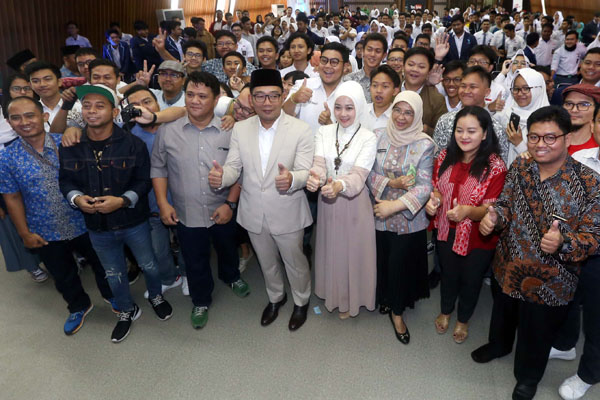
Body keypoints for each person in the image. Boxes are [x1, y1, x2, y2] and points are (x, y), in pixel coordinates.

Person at [471, 106, 600, 400]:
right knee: (502, 314)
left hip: (551, 281)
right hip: (508, 264)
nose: (540, 144)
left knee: (536, 333)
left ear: (568, 139)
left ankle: (527, 378)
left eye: (550, 137)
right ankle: (499, 345)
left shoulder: (589, 183)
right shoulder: (520, 168)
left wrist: (564, 242)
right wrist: (494, 218)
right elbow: (505, 203)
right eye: (534, 137)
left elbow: (594, 237)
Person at [59, 84, 173, 343]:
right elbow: (65, 180)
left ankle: (156, 295)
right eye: (86, 106)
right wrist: (77, 198)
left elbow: (144, 181)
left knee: (149, 265)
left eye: (100, 106)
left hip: (133, 220)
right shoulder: (71, 143)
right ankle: (125, 310)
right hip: (97, 225)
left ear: (114, 111)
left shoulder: (132, 144)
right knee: (113, 272)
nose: (92, 111)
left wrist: (121, 201)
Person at [208, 69, 314, 331]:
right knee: (266, 261)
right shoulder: (241, 129)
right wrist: (222, 177)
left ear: (282, 96)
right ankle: (276, 297)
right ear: (251, 99)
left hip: (287, 208)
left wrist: (292, 180)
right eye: (260, 97)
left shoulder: (301, 129)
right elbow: (234, 167)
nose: (267, 103)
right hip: (253, 209)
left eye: (273, 96)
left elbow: (304, 169)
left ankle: (301, 301)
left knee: (295, 261)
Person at [0, 96, 114, 335]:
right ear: (9, 123)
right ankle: (78, 306)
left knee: (103, 265)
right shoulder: (6, 158)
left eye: (30, 115)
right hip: (44, 227)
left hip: (85, 221)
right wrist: (24, 233)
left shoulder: (69, 143)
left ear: (43, 117)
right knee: (62, 274)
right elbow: (12, 198)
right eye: (16, 117)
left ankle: (113, 297)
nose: (24, 122)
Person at [151, 72, 249, 329]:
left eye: (203, 96)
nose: (195, 101)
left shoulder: (231, 131)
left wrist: (230, 204)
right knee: (194, 258)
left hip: (223, 209)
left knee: (228, 248)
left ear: (216, 99)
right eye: (190, 95)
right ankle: (201, 299)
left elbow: (240, 171)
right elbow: (159, 169)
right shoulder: (168, 132)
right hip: (187, 212)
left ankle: (231, 276)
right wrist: (163, 203)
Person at [426, 106, 507, 344]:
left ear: (484, 134)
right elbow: (437, 190)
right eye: (459, 130)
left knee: (471, 280)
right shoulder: (443, 157)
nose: (464, 136)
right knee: (449, 274)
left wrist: (468, 211)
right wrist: (434, 202)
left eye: (471, 131)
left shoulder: (496, 166)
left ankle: (463, 319)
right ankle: (446, 310)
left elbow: (491, 208)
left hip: (478, 237)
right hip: (445, 230)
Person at [367, 91, 435, 343]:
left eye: (409, 112)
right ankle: (385, 299)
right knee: (382, 260)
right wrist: (390, 182)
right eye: (398, 110)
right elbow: (366, 172)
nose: (402, 117)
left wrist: (393, 206)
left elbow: (424, 186)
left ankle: (397, 313)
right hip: (377, 214)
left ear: (417, 115)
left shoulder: (425, 144)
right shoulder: (376, 136)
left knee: (400, 265)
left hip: (408, 218)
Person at [306, 80, 376, 318]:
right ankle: (333, 294)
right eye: (338, 107)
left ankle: (350, 300)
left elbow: (358, 177)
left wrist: (339, 185)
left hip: (354, 205)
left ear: (359, 108)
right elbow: (318, 165)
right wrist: (315, 179)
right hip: (328, 202)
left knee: (352, 254)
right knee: (331, 249)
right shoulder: (324, 131)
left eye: (349, 107)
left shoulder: (368, 137)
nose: (343, 114)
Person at [555, 102, 600, 400]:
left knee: (597, 318)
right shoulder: (582, 158)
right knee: (568, 298)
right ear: (594, 126)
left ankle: (589, 374)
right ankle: (564, 345)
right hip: (574, 244)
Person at [433, 66, 509, 163]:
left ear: (487, 92)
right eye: (463, 86)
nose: (466, 91)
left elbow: (500, 164)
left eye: (473, 87)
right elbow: (436, 158)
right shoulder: (445, 121)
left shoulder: (496, 128)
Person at [494, 68, 549, 164]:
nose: (519, 94)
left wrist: (519, 144)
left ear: (538, 89)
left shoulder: (549, 121)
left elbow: (546, 162)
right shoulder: (506, 114)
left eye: (526, 88)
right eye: (516, 89)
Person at [402, 47, 448, 135]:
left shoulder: (436, 99)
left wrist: (426, 129)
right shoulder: (391, 87)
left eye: (421, 66)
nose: (415, 69)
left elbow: (443, 133)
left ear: (429, 71)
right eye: (411, 64)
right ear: (403, 66)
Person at [342, 33, 388, 102]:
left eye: (378, 51)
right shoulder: (349, 80)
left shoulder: (388, 82)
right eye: (369, 50)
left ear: (384, 55)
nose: (372, 54)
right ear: (363, 51)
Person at [561, 84, 600, 155]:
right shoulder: (549, 142)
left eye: (583, 105)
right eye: (569, 104)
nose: (574, 110)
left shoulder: (598, 147)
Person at [25, 61, 64, 126]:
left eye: (47, 79)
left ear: (59, 82)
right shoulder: (29, 111)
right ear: (30, 85)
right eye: (35, 81)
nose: (42, 84)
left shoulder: (78, 106)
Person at [362, 65, 400, 131]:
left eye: (385, 86)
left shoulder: (398, 117)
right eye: (375, 85)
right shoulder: (361, 111)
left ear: (395, 91)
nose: (378, 90)